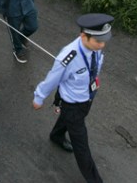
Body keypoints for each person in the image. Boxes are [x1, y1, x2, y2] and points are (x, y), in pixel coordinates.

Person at [32, 13, 114, 183]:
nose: (102, 45)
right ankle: (94, 179)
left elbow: (95, 67)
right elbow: (52, 78)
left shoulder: (96, 49)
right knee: (81, 146)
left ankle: (56, 135)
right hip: (72, 103)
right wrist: (39, 97)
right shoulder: (68, 57)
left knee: (69, 118)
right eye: (98, 41)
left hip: (87, 97)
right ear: (83, 36)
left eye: (104, 40)